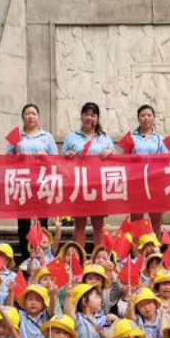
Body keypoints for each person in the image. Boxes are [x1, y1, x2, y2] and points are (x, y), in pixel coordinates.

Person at [62, 102, 114, 247]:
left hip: (98, 185)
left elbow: (115, 162)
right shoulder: (71, 137)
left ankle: (100, 259)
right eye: (86, 115)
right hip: (78, 186)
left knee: (98, 223)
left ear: (97, 118)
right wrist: (67, 155)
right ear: (81, 117)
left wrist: (110, 154)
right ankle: (79, 259)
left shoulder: (104, 138)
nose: (89, 118)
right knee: (79, 223)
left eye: (93, 115)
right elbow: (60, 162)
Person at [9, 104, 55, 260]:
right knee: (23, 224)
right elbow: (6, 159)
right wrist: (16, 158)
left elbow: (56, 160)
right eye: (27, 113)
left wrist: (45, 156)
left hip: (42, 184)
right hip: (22, 185)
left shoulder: (46, 137)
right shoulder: (16, 136)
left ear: (38, 117)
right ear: (22, 116)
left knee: (42, 224)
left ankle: (43, 258)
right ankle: (25, 258)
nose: (30, 116)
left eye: (33, 113)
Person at [128, 105, 168, 237]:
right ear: (138, 118)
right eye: (143, 115)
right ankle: (136, 253)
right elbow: (123, 159)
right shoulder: (130, 138)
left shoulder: (159, 139)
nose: (146, 118)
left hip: (154, 183)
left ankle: (156, 251)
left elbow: (166, 159)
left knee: (156, 218)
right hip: (136, 183)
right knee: (136, 219)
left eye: (149, 115)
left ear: (153, 118)